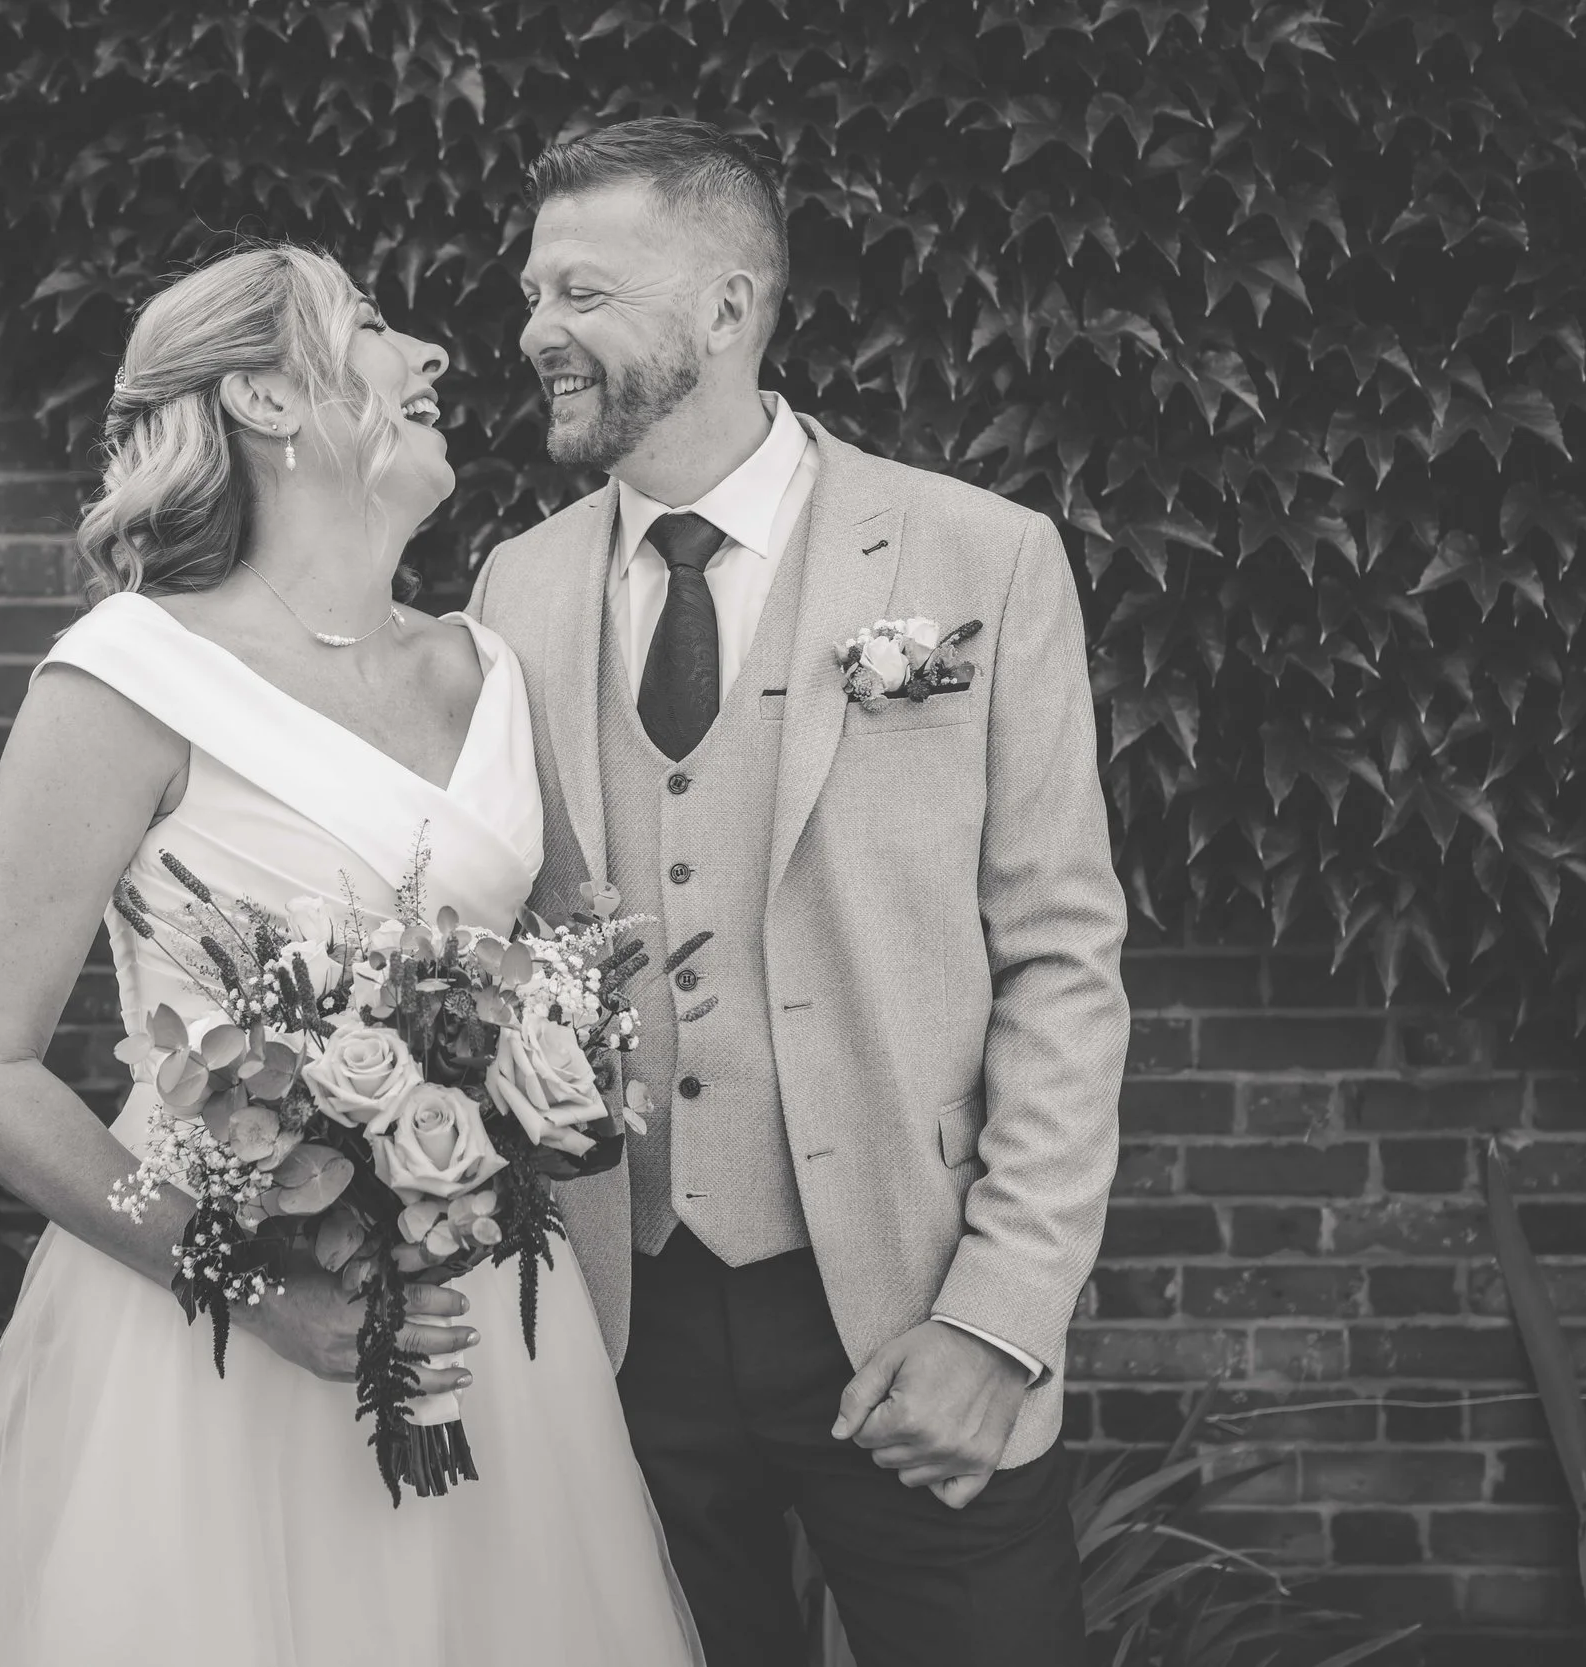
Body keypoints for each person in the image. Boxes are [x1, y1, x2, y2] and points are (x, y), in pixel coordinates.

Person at [0, 245, 702, 1667]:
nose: (437, 355)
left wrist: (566, 1077)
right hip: (219, 1339)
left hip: (487, 1327)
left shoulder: (483, 672)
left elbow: (586, 971)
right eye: (376, 328)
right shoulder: (127, 676)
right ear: (263, 394)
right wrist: (264, 1299)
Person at [467, 118, 1130, 1667]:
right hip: (611, 1328)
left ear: (727, 304)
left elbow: (1062, 963)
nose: (534, 331)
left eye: (582, 290)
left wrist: (998, 1318)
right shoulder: (515, 586)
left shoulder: (983, 556)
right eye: (531, 292)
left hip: (908, 1302)